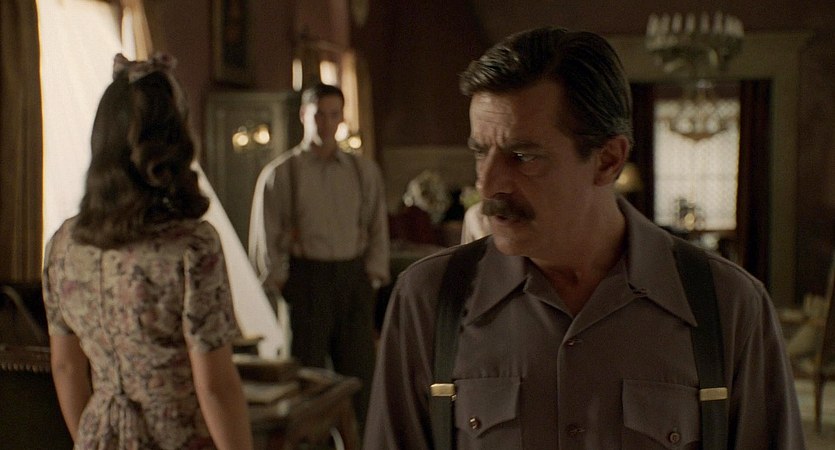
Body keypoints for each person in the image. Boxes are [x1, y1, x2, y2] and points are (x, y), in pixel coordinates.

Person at [363, 26, 804, 449]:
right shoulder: (430, 300)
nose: (489, 184)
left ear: (608, 160)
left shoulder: (728, 305)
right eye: (481, 152)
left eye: (524, 156)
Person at [42, 54, 253, 450]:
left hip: (98, 435)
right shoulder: (192, 245)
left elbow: (66, 366)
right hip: (179, 437)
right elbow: (215, 387)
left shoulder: (63, 244)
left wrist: (91, 439)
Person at [248, 82, 389, 427]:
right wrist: (281, 281)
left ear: (342, 118)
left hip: (352, 279)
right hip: (307, 280)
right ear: (304, 115)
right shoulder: (282, 173)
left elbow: (377, 227)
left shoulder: (363, 171)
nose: (326, 123)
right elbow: (267, 234)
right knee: (306, 378)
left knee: (360, 377)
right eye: (318, 115)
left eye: (333, 115)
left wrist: (372, 276)